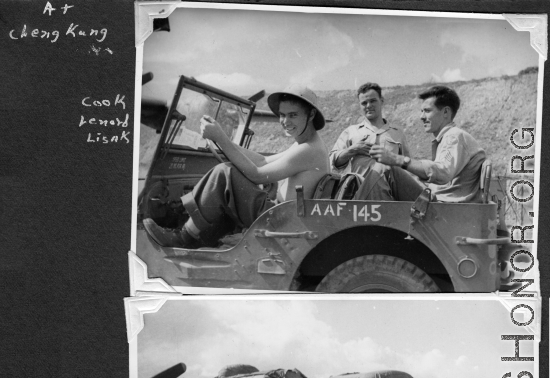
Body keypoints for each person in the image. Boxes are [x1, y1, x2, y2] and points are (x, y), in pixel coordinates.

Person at [144, 87, 329, 248]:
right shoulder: (306, 144)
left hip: (280, 221)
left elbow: (257, 174)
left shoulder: (309, 149)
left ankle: (183, 236)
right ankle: (190, 225)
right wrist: (222, 138)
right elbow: (262, 161)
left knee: (225, 172)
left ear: (311, 114)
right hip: (283, 215)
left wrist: (221, 140)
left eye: (293, 115)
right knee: (228, 181)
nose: (285, 121)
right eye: (282, 115)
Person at [360, 85, 486, 202]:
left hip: (443, 208)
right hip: (441, 203)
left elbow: (442, 173)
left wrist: (396, 159)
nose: (421, 116)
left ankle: (350, 215)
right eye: (421, 111)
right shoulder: (449, 137)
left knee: (384, 169)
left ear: (446, 112)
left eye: (427, 111)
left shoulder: (454, 136)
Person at [330, 82, 410, 179]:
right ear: (360, 105)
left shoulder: (397, 133)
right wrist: (353, 150)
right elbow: (332, 162)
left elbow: (409, 166)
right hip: (358, 191)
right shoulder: (351, 132)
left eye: (373, 101)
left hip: (389, 192)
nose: (368, 105)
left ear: (381, 100)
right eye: (364, 103)